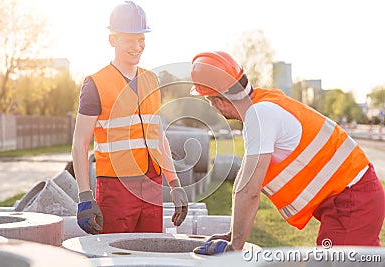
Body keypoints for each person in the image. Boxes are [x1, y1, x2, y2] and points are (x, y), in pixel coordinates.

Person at [189, 51, 385, 255]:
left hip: (353, 200)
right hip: (355, 196)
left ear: (218, 101)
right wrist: (232, 235)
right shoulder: (265, 103)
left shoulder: (259, 116)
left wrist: (233, 247)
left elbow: (249, 191)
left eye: (209, 102)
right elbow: (243, 183)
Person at [72, 1, 188, 235]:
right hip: (116, 187)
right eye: (129, 40)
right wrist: (84, 195)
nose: (137, 47)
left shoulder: (151, 80)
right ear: (112, 40)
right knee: (117, 254)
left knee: (151, 252)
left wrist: (175, 183)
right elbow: (79, 143)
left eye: (141, 39)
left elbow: (158, 136)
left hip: (152, 185)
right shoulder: (95, 84)